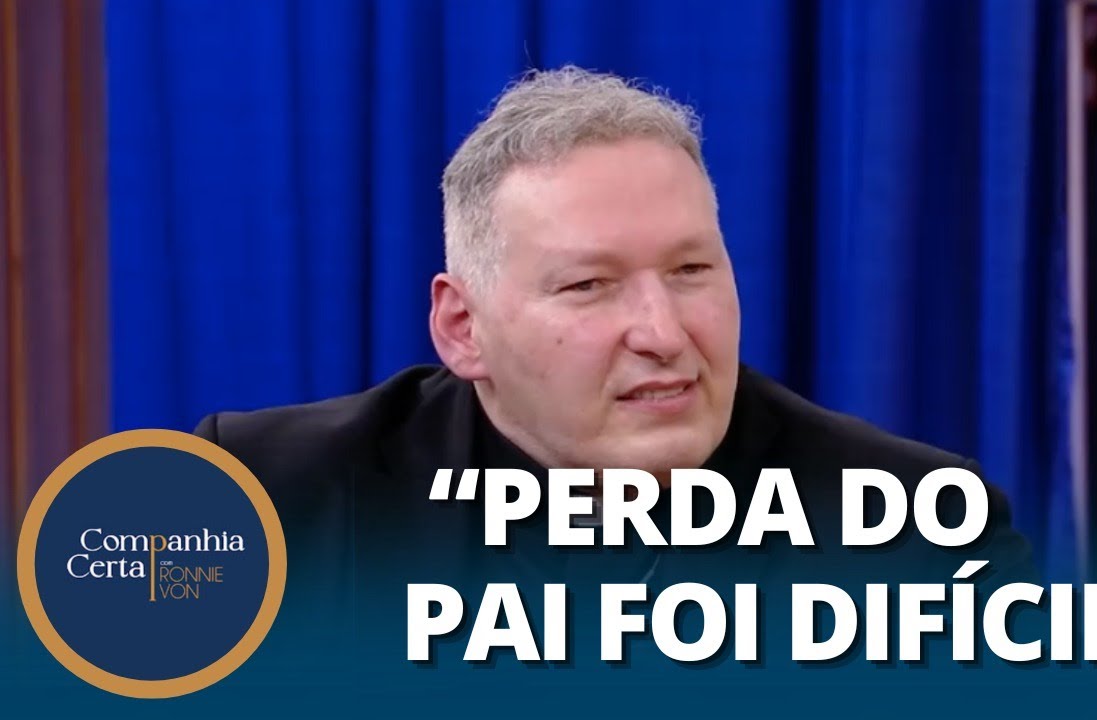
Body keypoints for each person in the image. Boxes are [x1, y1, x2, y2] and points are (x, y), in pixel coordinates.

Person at [194, 67, 1033, 644]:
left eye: (691, 271)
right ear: (463, 327)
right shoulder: (263, 496)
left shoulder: (919, 536)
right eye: (590, 285)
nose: (663, 333)